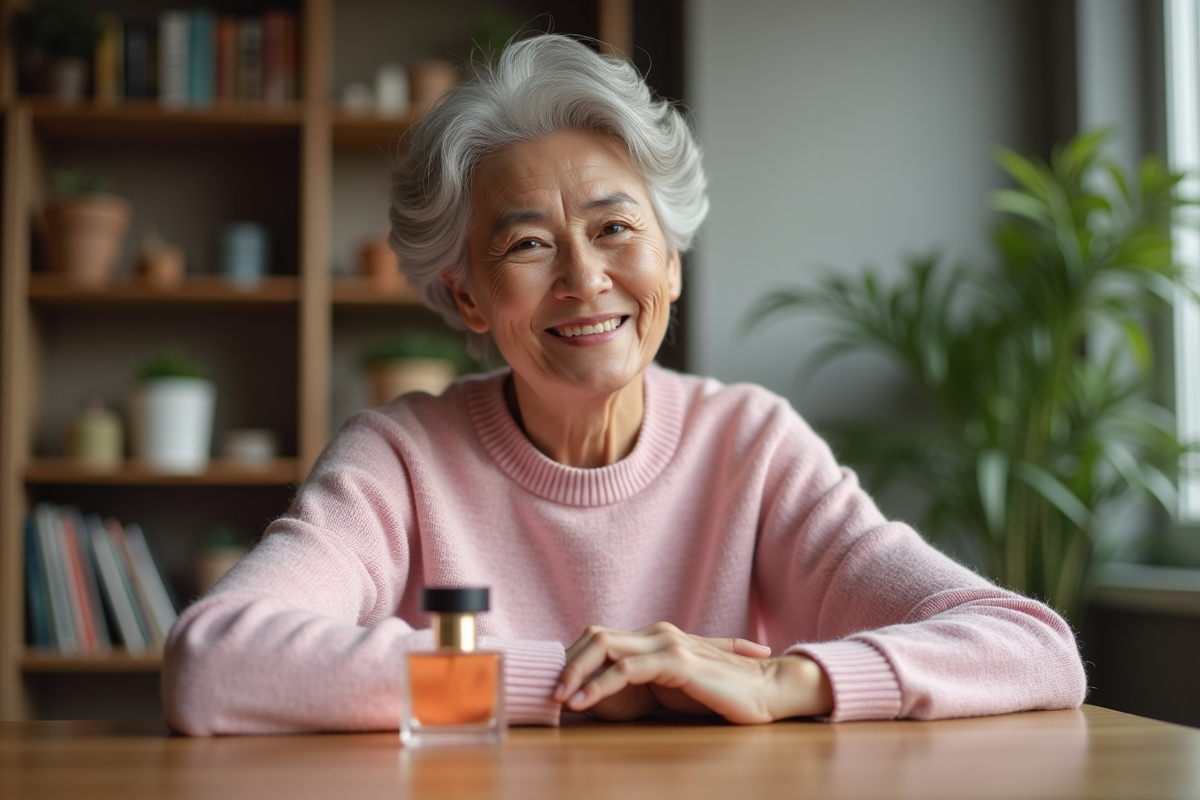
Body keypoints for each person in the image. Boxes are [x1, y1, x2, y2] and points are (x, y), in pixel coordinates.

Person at [162, 34, 1086, 735]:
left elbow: (1031, 646)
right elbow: (218, 661)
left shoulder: (749, 445)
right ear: (467, 296)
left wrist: (778, 682)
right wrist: (556, 683)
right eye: (527, 243)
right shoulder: (400, 457)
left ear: (672, 261)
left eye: (615, 230)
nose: (584, 278)